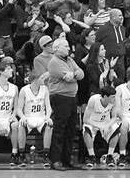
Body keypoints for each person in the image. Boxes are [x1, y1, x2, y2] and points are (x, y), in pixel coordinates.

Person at [45, 38, 84, 171]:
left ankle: (67, 160)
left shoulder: (69, 60)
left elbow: (81, 74)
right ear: (57, 48)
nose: (69, 48)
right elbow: (68, 78)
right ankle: (55, 160)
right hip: (60, 98)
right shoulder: (54, 62)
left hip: (72, 98)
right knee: (59, 129)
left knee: (71, 130)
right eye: (66, 46)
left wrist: (74, 74)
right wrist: (74, 74)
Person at [15, 72, 52, 166]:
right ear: (35, 80)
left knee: (49, 126)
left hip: (41, 117)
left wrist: (48, 117)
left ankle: (46, 155)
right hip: (28, 117)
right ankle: (22, 155)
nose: (43, 80)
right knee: (21, 125)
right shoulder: (24, 90)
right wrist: (22, 117)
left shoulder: (45, 89)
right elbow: (19, 109)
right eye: (41, 78)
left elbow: (48, 107)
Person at [80, 86, 120, 168]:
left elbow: (114, 117)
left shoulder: (114, 101)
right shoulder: (93, 100)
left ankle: (110, 156)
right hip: (92, 122)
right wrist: (99, 126)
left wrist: (106, 126)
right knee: (87, 130)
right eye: (112, 97)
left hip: (105, 123)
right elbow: (85, 119)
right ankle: (91, 156)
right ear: (105, 96)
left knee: (116, 128)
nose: (114, 99)